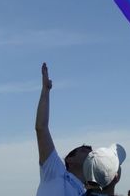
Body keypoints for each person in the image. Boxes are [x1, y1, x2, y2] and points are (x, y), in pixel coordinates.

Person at [36, 62, 92, 196]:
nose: (92, 154)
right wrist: (45, 90)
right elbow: (41, 128)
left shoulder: (85, 193)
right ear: (69, 160)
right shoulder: (56, 171)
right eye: (85, 151)